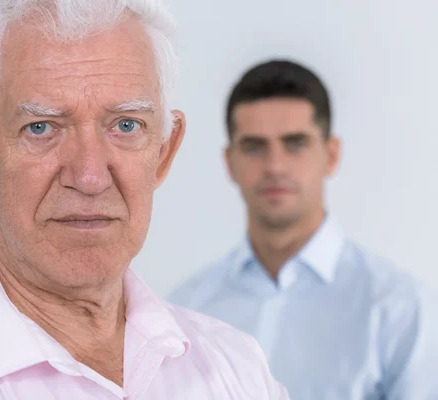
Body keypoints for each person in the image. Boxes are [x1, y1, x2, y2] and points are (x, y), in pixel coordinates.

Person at [0, 1, 290, 399]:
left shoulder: (237, 367)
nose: (90, 176)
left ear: (164, 152)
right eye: (41, 128)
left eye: (126, 125)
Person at [169, 59, 438, 399]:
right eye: (254, 146)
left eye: (295, 143)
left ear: (331, 154)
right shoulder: (185, 312)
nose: (275, 166)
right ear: (229, 162)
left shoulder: (401, 310)